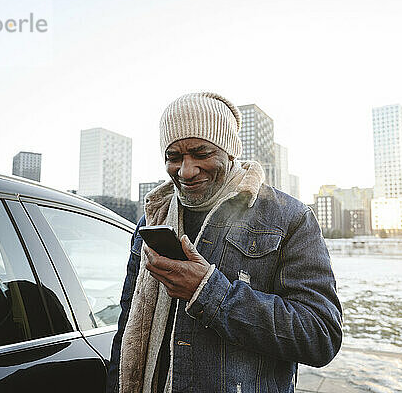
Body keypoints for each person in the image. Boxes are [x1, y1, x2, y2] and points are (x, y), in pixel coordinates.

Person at [107, 92, 342, 393]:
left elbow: (321, 335)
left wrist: (210, 293)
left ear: (230, 151)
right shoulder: (152, 221)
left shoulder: (289, 218)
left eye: (201, 153)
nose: (186, 171)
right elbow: (127, 325)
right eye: (173, 157)